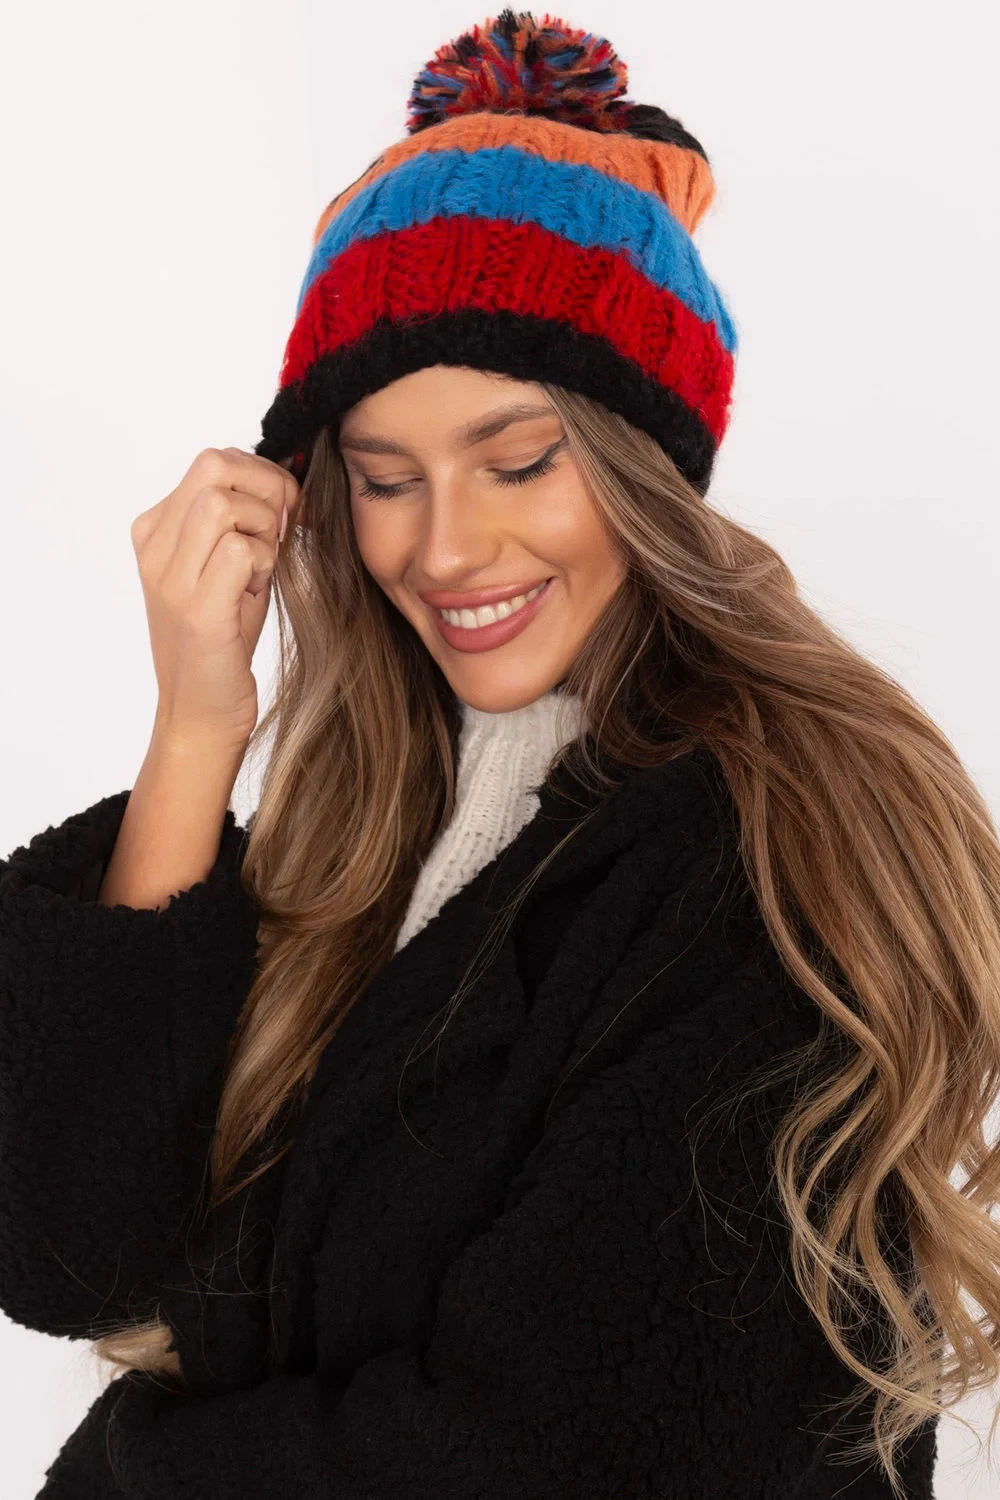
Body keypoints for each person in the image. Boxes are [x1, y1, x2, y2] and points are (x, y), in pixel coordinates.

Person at [2, 10, 999, 1498]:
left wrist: (121, 1471)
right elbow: (70, 1253)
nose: (447, 548)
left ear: (647, 465)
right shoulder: (372, 825)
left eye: (519, 461)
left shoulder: (770, 858)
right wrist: (196, 731)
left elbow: (552, 1455)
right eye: (384, 479)